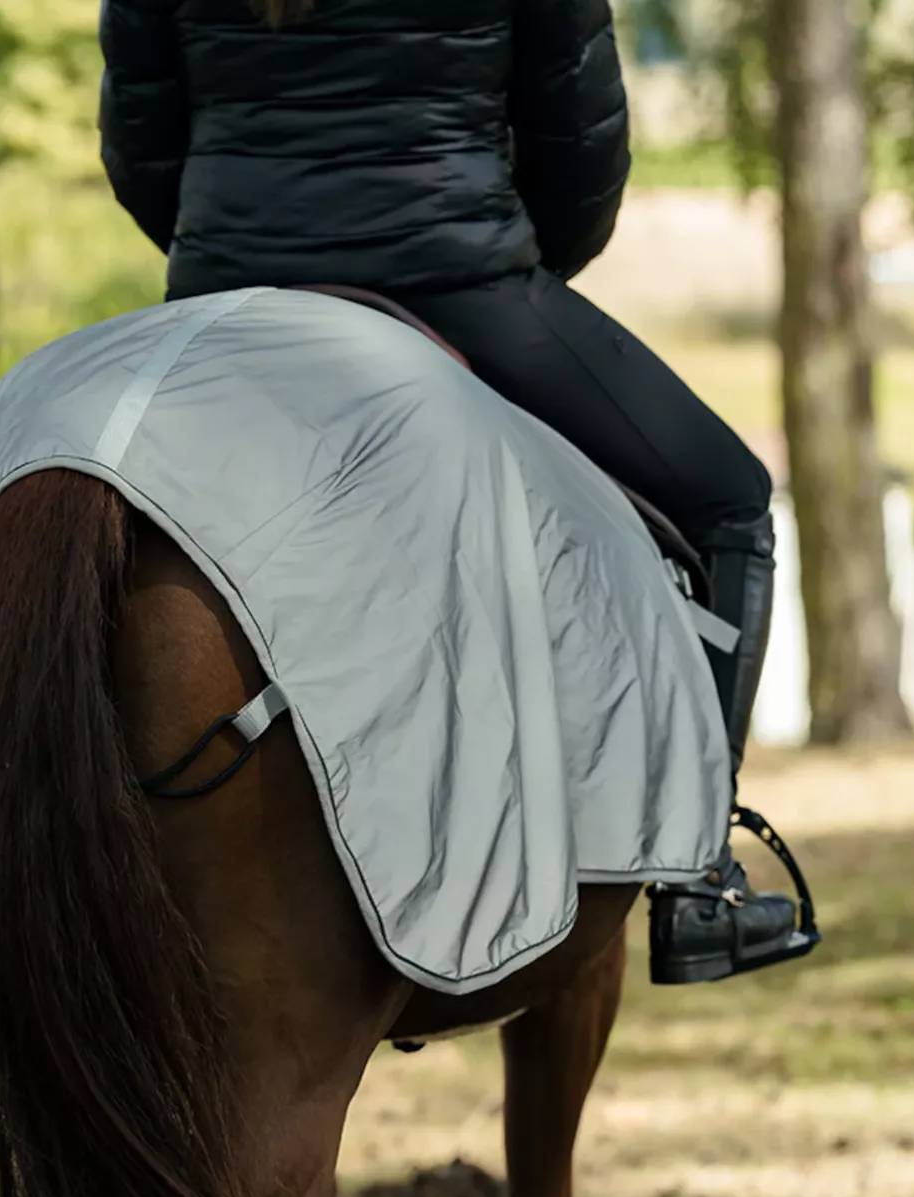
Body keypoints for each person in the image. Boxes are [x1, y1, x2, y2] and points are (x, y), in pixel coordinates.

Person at [98, 0, 813, 983]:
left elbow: (140, 140)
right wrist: (519, 262)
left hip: (227, 280)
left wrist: (232, 252)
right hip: (453, 275)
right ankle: (698, 885)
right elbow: (580, 137)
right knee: (731, 500)